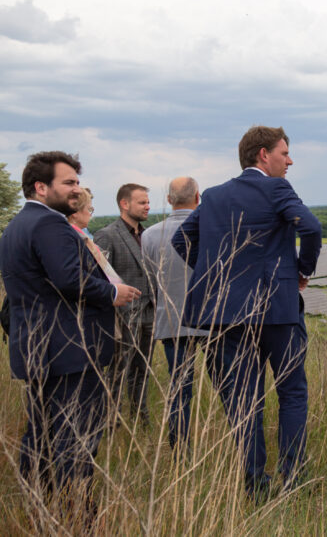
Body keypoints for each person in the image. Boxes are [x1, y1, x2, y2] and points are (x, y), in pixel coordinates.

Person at [173, 126, 321, 500]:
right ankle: (292, 478)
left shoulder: (217, 195)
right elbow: (312, 227)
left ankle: (255, 484)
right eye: (284, 153)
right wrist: (301, 272)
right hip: (277, 310)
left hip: (225, 315)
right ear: (262, 155)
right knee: (291, 393)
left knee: (243, 399)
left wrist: (219, 276)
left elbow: (181, 240)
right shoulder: (276, 189)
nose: (289, 160)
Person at [0, 152, 140, 507]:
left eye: (78, 182)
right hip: (70, 350)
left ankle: (41, 509)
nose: (77, 190)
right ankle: (79, 516)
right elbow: (68, 279)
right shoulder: (50, 225)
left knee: (42, 435)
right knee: (75, 439)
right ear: (41, 187)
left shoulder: (16, 226)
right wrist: (113, 293)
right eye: (69, 183)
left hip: (37, 349)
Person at [141, 177, 208, 454]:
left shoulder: (149, 235)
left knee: (179, 388)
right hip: (211, 320)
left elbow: (150, 278)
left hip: (171, 319)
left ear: (169, 200)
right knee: (230, 385)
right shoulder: (211, 228)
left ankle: (180, 449)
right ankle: (243, 447)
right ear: (198, 197)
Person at [94, 183, 155, 427]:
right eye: (142, 202)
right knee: (119, 372)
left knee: (143, 371)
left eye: (148, 202)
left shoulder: (147, 234)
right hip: (122, 316)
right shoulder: (107, 235)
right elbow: (100, 277)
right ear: (124, 204)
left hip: (149, 313)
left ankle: (142, 419)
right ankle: (112, 422)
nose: (147, 206)